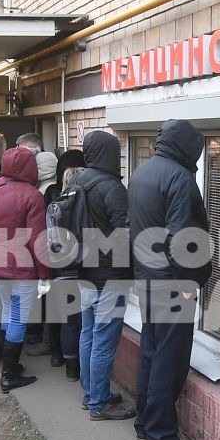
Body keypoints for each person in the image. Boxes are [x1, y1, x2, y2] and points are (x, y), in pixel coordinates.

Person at [126, 120, 210, 440]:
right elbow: (183, 238)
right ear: (188, 147)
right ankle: (161, 438)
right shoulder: (179, 178)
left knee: (150, 352)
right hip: (173, 284)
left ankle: (145, 424)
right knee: (168, 361)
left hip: (147, 279)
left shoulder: (142, 172)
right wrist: (191, 283)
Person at [0, 143, 49, 393]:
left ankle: (9, 366)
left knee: (7, 312)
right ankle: (9, 374)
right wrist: (45, 274)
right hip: (22, 266)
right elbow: (37, 239)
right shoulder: (32, 195)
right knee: (18, 317)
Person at [72, 133, 133, 419]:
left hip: (84, 270)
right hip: (111, 275)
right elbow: (126, 234)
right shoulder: (112, 188)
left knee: (88, 335)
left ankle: (91, 394)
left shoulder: (78, 181)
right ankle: (99, 403)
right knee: (104, 340)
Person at [44, 147, 86, 376]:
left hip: (60, 268)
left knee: (67, 321)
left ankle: (68, 366)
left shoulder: (53, 204)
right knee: (84, 323)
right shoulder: (87, 205)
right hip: (83, 270)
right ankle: (79, 367)